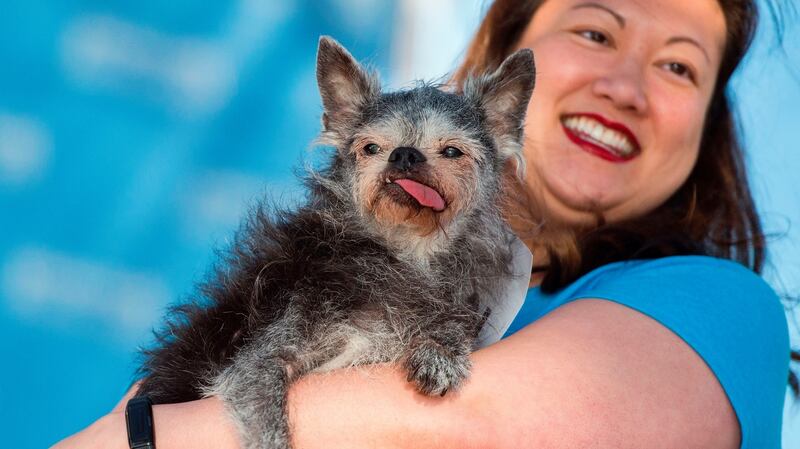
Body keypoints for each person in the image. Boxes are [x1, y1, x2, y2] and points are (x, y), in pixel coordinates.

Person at [53, 0, 794, 448]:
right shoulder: (321, 269)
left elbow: (458, 427)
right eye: (597, 33)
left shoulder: (715, 306)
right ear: (503, 61)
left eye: (679, 67)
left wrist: (142, 435)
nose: (626, 85)